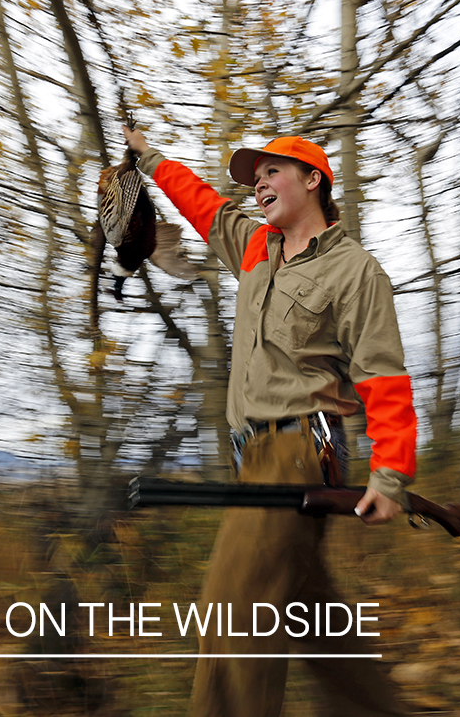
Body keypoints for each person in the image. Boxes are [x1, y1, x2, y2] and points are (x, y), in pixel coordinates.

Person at [123, 125, 417, 717]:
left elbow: (382, 375)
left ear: (313, 180)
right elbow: (202, 204)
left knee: (234, 613)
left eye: (271, 172)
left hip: (301, 449)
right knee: (313, 617)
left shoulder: (354, 271)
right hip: (253, 456)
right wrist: (148, 158)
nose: (259, 184)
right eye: (253, 179)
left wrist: (390, 474)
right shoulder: (256, 249)